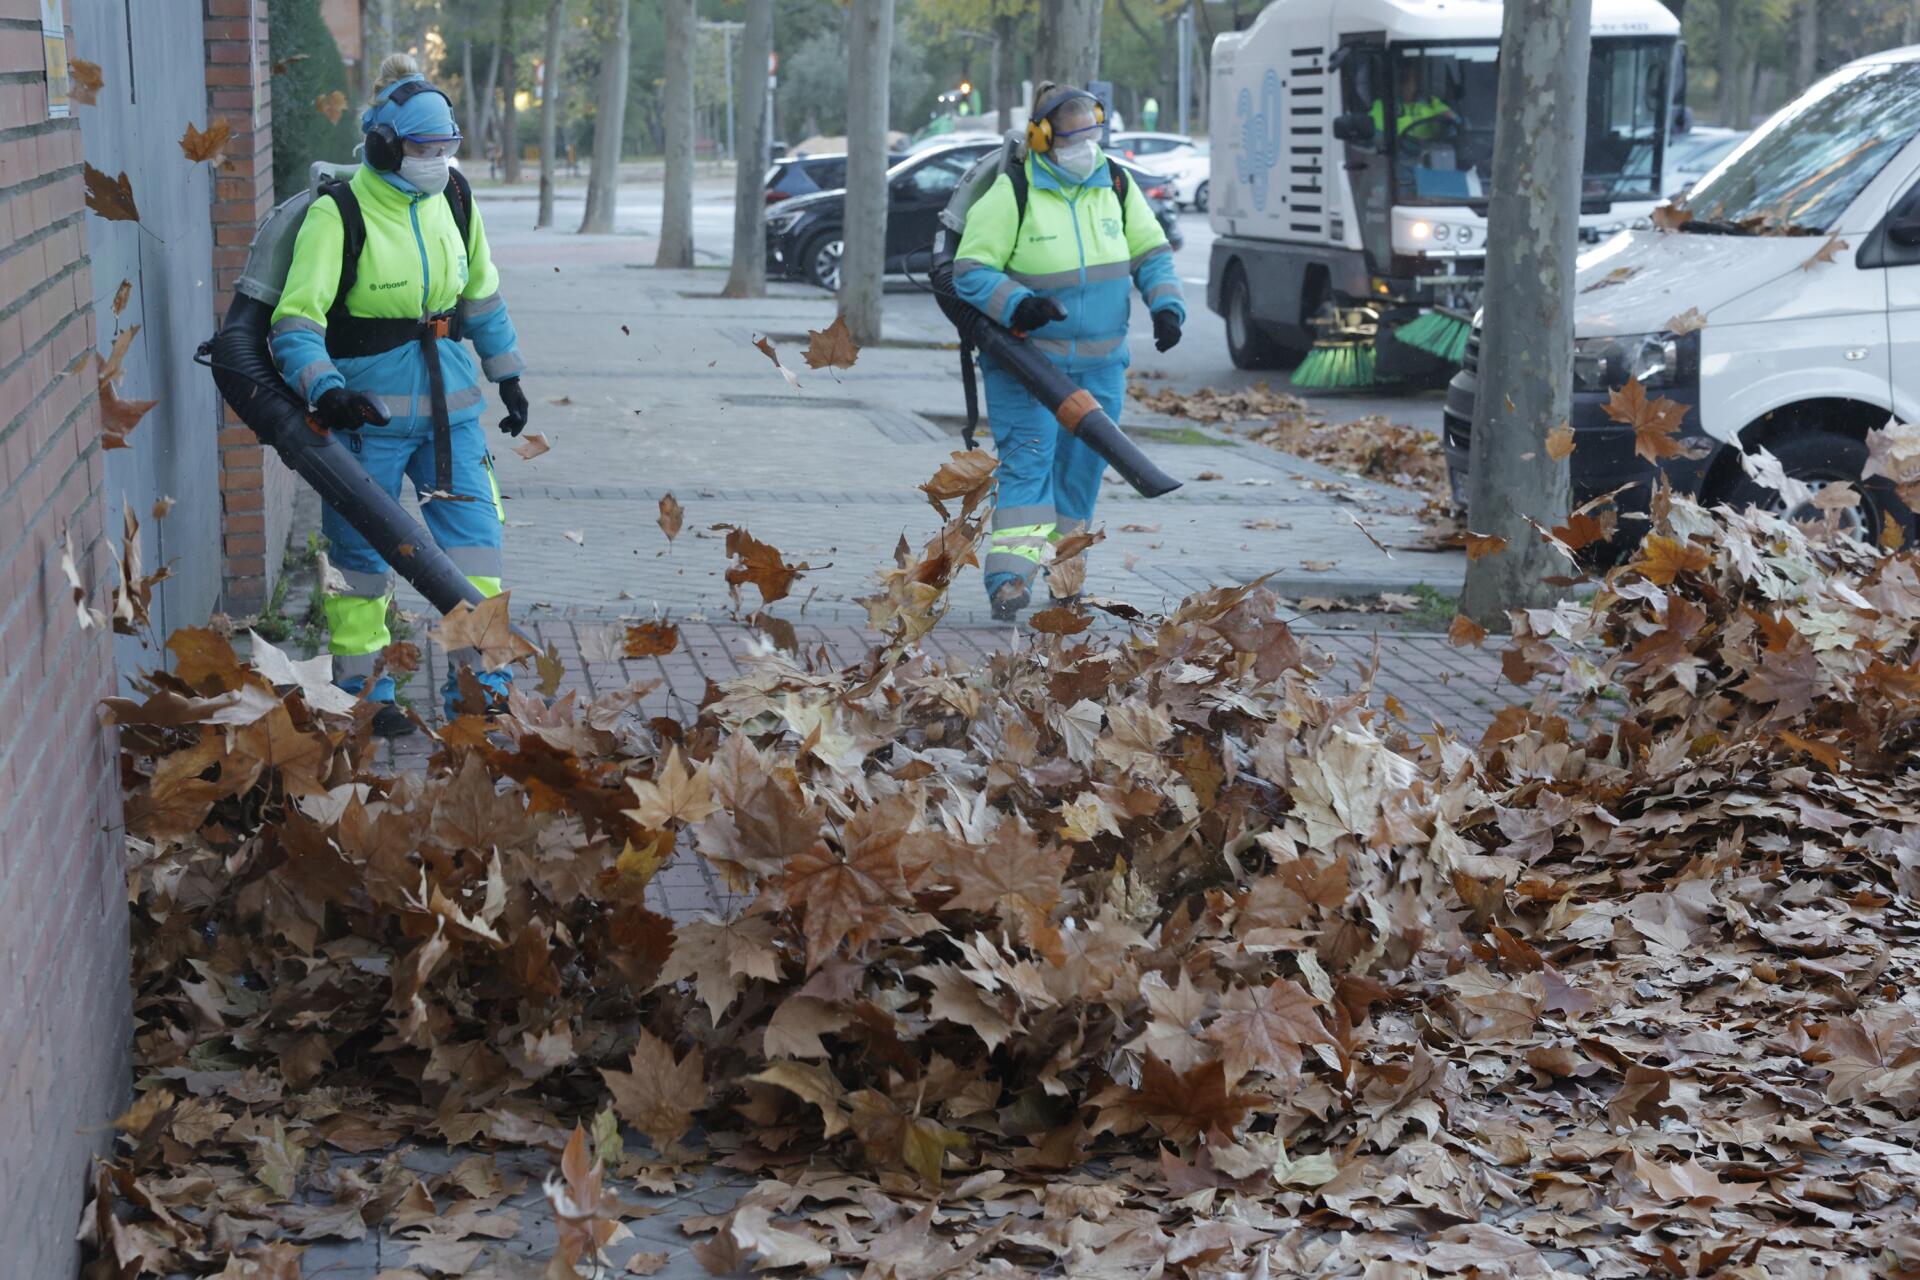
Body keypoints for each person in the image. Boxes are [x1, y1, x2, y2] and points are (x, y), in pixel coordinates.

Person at [270, 53, 531, 738]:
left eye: (447, 148)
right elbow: (296, 322)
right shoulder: (339, 213)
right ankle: (366, 693)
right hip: (365, 421)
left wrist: (507, 373)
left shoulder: (455, 198)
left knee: (476, 552)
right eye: (424, 149)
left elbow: (482, 293)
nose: (438, 161)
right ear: (385, 145)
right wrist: (326, 391)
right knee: (359, 561)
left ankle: (481, 691)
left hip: (452, 413)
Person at [951, 83, 1185, 622]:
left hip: (1101, 366)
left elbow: (1151, 253)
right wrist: (1021, 306)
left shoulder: (1116, 184)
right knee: (1029, 465)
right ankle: (1010, 580)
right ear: (1041, 136)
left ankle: (1065, 577)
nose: (1085, 144)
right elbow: (971, 270)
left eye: (1091, 132)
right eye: (1072, 134)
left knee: (1080, 476)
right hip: (1028, 366)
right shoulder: (1014, 192)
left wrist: (1167, 306)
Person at [1370, 61, 1458, 145]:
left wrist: (1451, 119)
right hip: (1398, 153)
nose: (1409, 85)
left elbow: (1457, 124)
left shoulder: (1431, 101)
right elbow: (1373, 136)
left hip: (1432, 150)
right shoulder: (1382, 106)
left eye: (1412, 80)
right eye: (1405, 79)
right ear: (1396, 82)